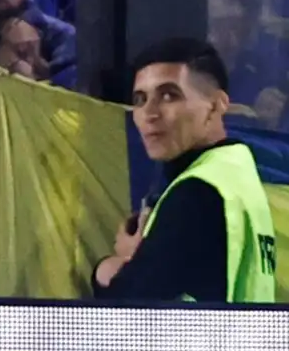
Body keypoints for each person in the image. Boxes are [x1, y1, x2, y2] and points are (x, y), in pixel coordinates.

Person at [93, 38, 276, 303]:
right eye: (140, 99)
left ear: (216, 105)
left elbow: (127, 310)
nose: (149, 113)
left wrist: (109, 267)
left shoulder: (197, 193)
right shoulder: (236, 168)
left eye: (169, 95)